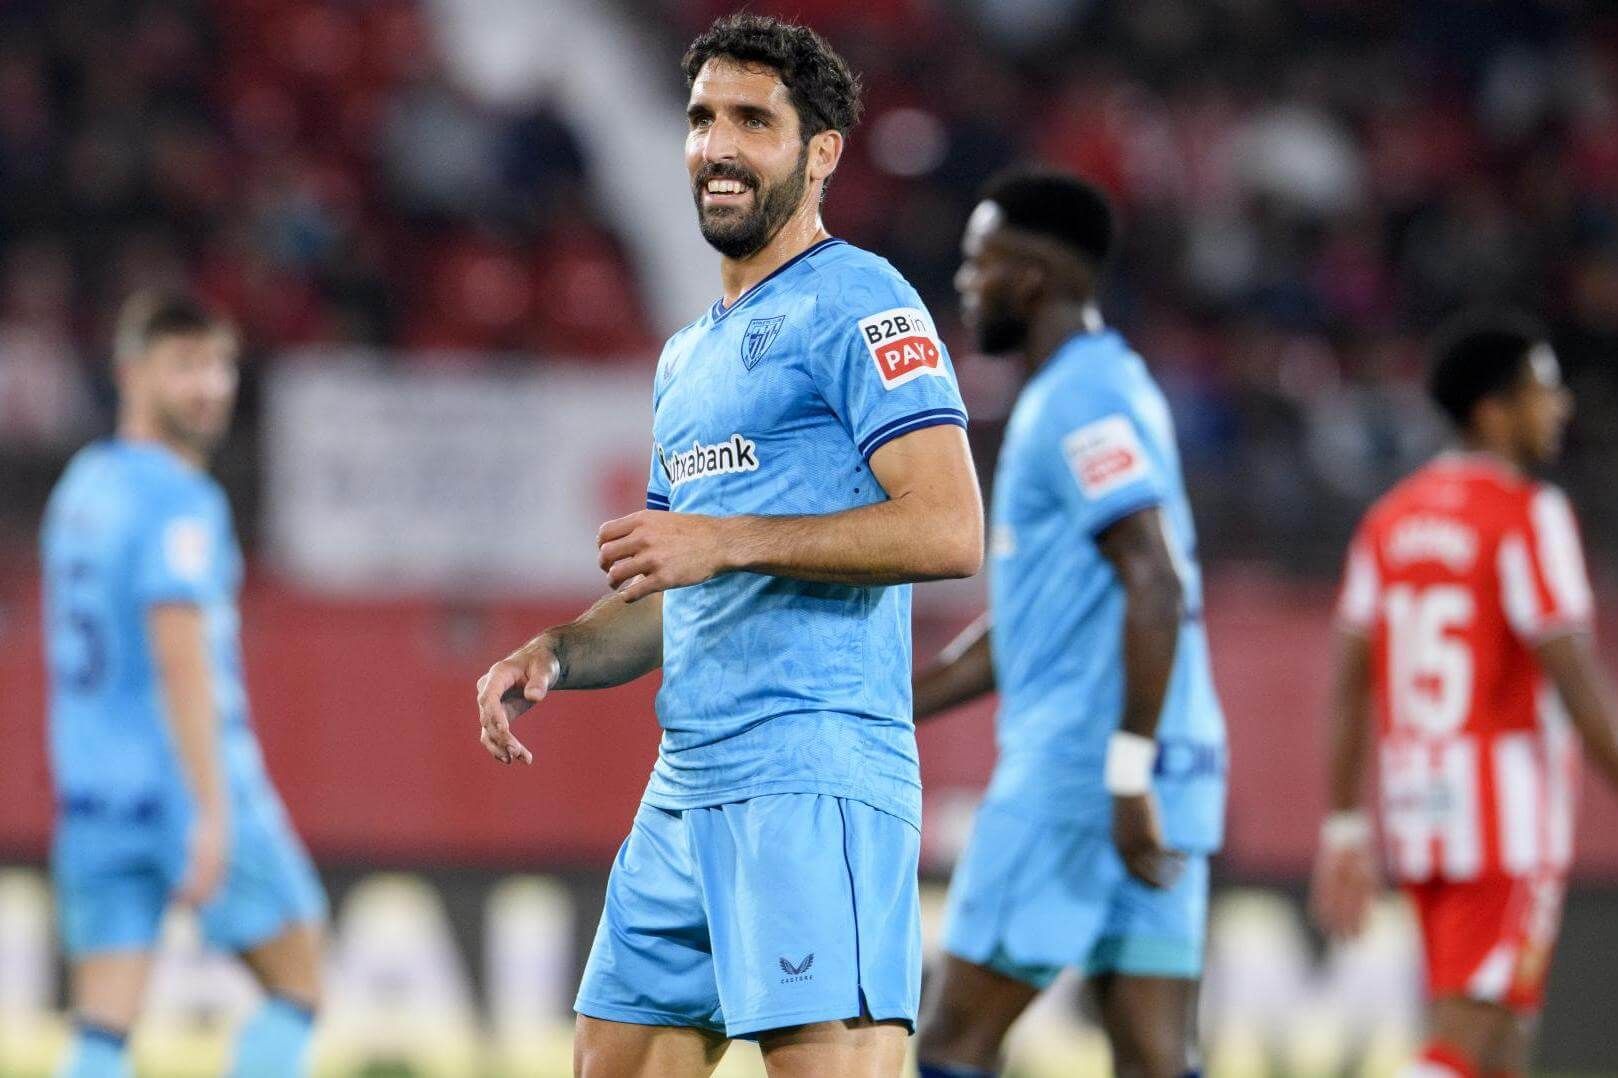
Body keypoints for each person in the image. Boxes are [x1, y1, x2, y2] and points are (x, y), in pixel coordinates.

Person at [473, 13, 983, 1078]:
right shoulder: (684, 360)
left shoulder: (862, 299)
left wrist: (727, 538)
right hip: (687, 781)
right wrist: (559, 651)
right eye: (703, 118)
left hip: (813, 769)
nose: (717, 145)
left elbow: (948, 528)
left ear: (821, 151)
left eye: (754, 120)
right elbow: (677, 586)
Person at [911, 172, 1227, 1078]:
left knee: (952, 1039)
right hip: (1166, 770)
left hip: (1083, 774)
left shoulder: (1077, 402)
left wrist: (1125, 774)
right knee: (1154, 1050)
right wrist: (878, 705)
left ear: (1034, 276)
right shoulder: (1115, 382)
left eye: (982, 265)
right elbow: (1027, 634)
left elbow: (1156, 581)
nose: (967, 285)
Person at [1310, 314, 1618, 1078]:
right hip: (1505, 820)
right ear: (1494, 409)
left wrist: (1346, 826)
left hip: (1420, 812)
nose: (1561, 408)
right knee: (1462, 1045)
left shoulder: (1390, 521)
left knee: (1503, 1045)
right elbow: (1578, 684)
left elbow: (1350, 687)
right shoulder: (1528, 516)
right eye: (1543, 391)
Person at [40, 292, 327, 1078]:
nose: (210, 386)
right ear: (131, 374)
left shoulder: (80, 490)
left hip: (94, 789)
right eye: (185, 367)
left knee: (103, 1019)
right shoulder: (180, 501)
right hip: (188, 784)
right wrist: (209, 808)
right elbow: (181, 656)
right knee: (300, 978)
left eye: (220, 365)